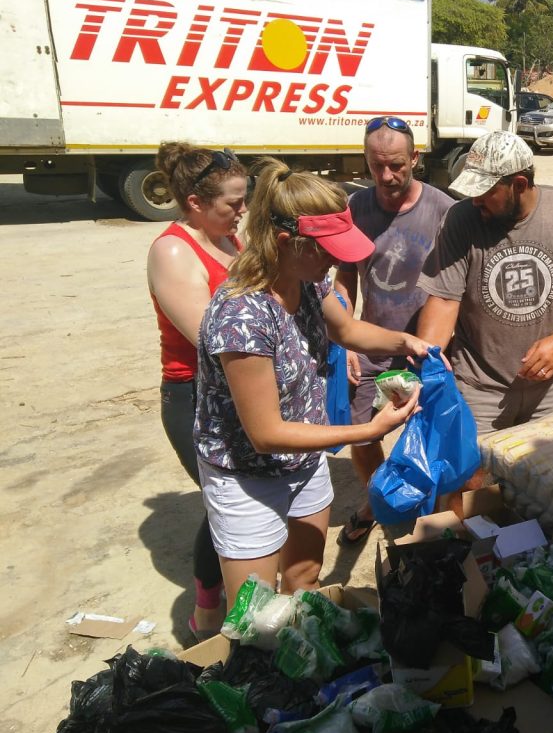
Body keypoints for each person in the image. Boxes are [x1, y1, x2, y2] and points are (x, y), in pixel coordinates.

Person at [193, 159, 431, 610]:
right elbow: (265, 434)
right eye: (327, 249)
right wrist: (368, 431)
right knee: (253, 610)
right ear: (286, 241)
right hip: (248, 476)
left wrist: (405, 340)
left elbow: (348, 330)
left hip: (304, 462)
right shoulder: (242, 316)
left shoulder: (309, 280)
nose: (337, 260)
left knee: (303, 581)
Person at [417, 131, 553, 435]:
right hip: (479, 388)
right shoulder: (460, 220)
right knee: (473, 476)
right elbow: (444, 298)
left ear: (519, 184)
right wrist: (427, 364)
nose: (475, 200)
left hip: (549, 387)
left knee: (541, 473)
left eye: (485, 191)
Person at [332, 116, 454, 544]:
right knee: (363, 432)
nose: (386, 175)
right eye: (376, 165)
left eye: (397, 165)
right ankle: (375, 499)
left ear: (415, 158)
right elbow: (344, 276)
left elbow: (458, 285)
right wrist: (343, 334)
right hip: (367, 345)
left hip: (426, 346)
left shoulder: (443, 209)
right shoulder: (356, 209)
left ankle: (428, 507)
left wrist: (448, 344)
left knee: (429, 430)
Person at [146, 142, 246, 641]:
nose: (241, 211)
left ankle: (237, 593)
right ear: (194, 203)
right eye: (232, 203)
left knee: (243, 496)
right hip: (193, 395)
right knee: (223, 500)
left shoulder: (229, 240)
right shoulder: (172, 250)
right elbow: (212, 338)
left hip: (237, 391)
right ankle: (206, 613)